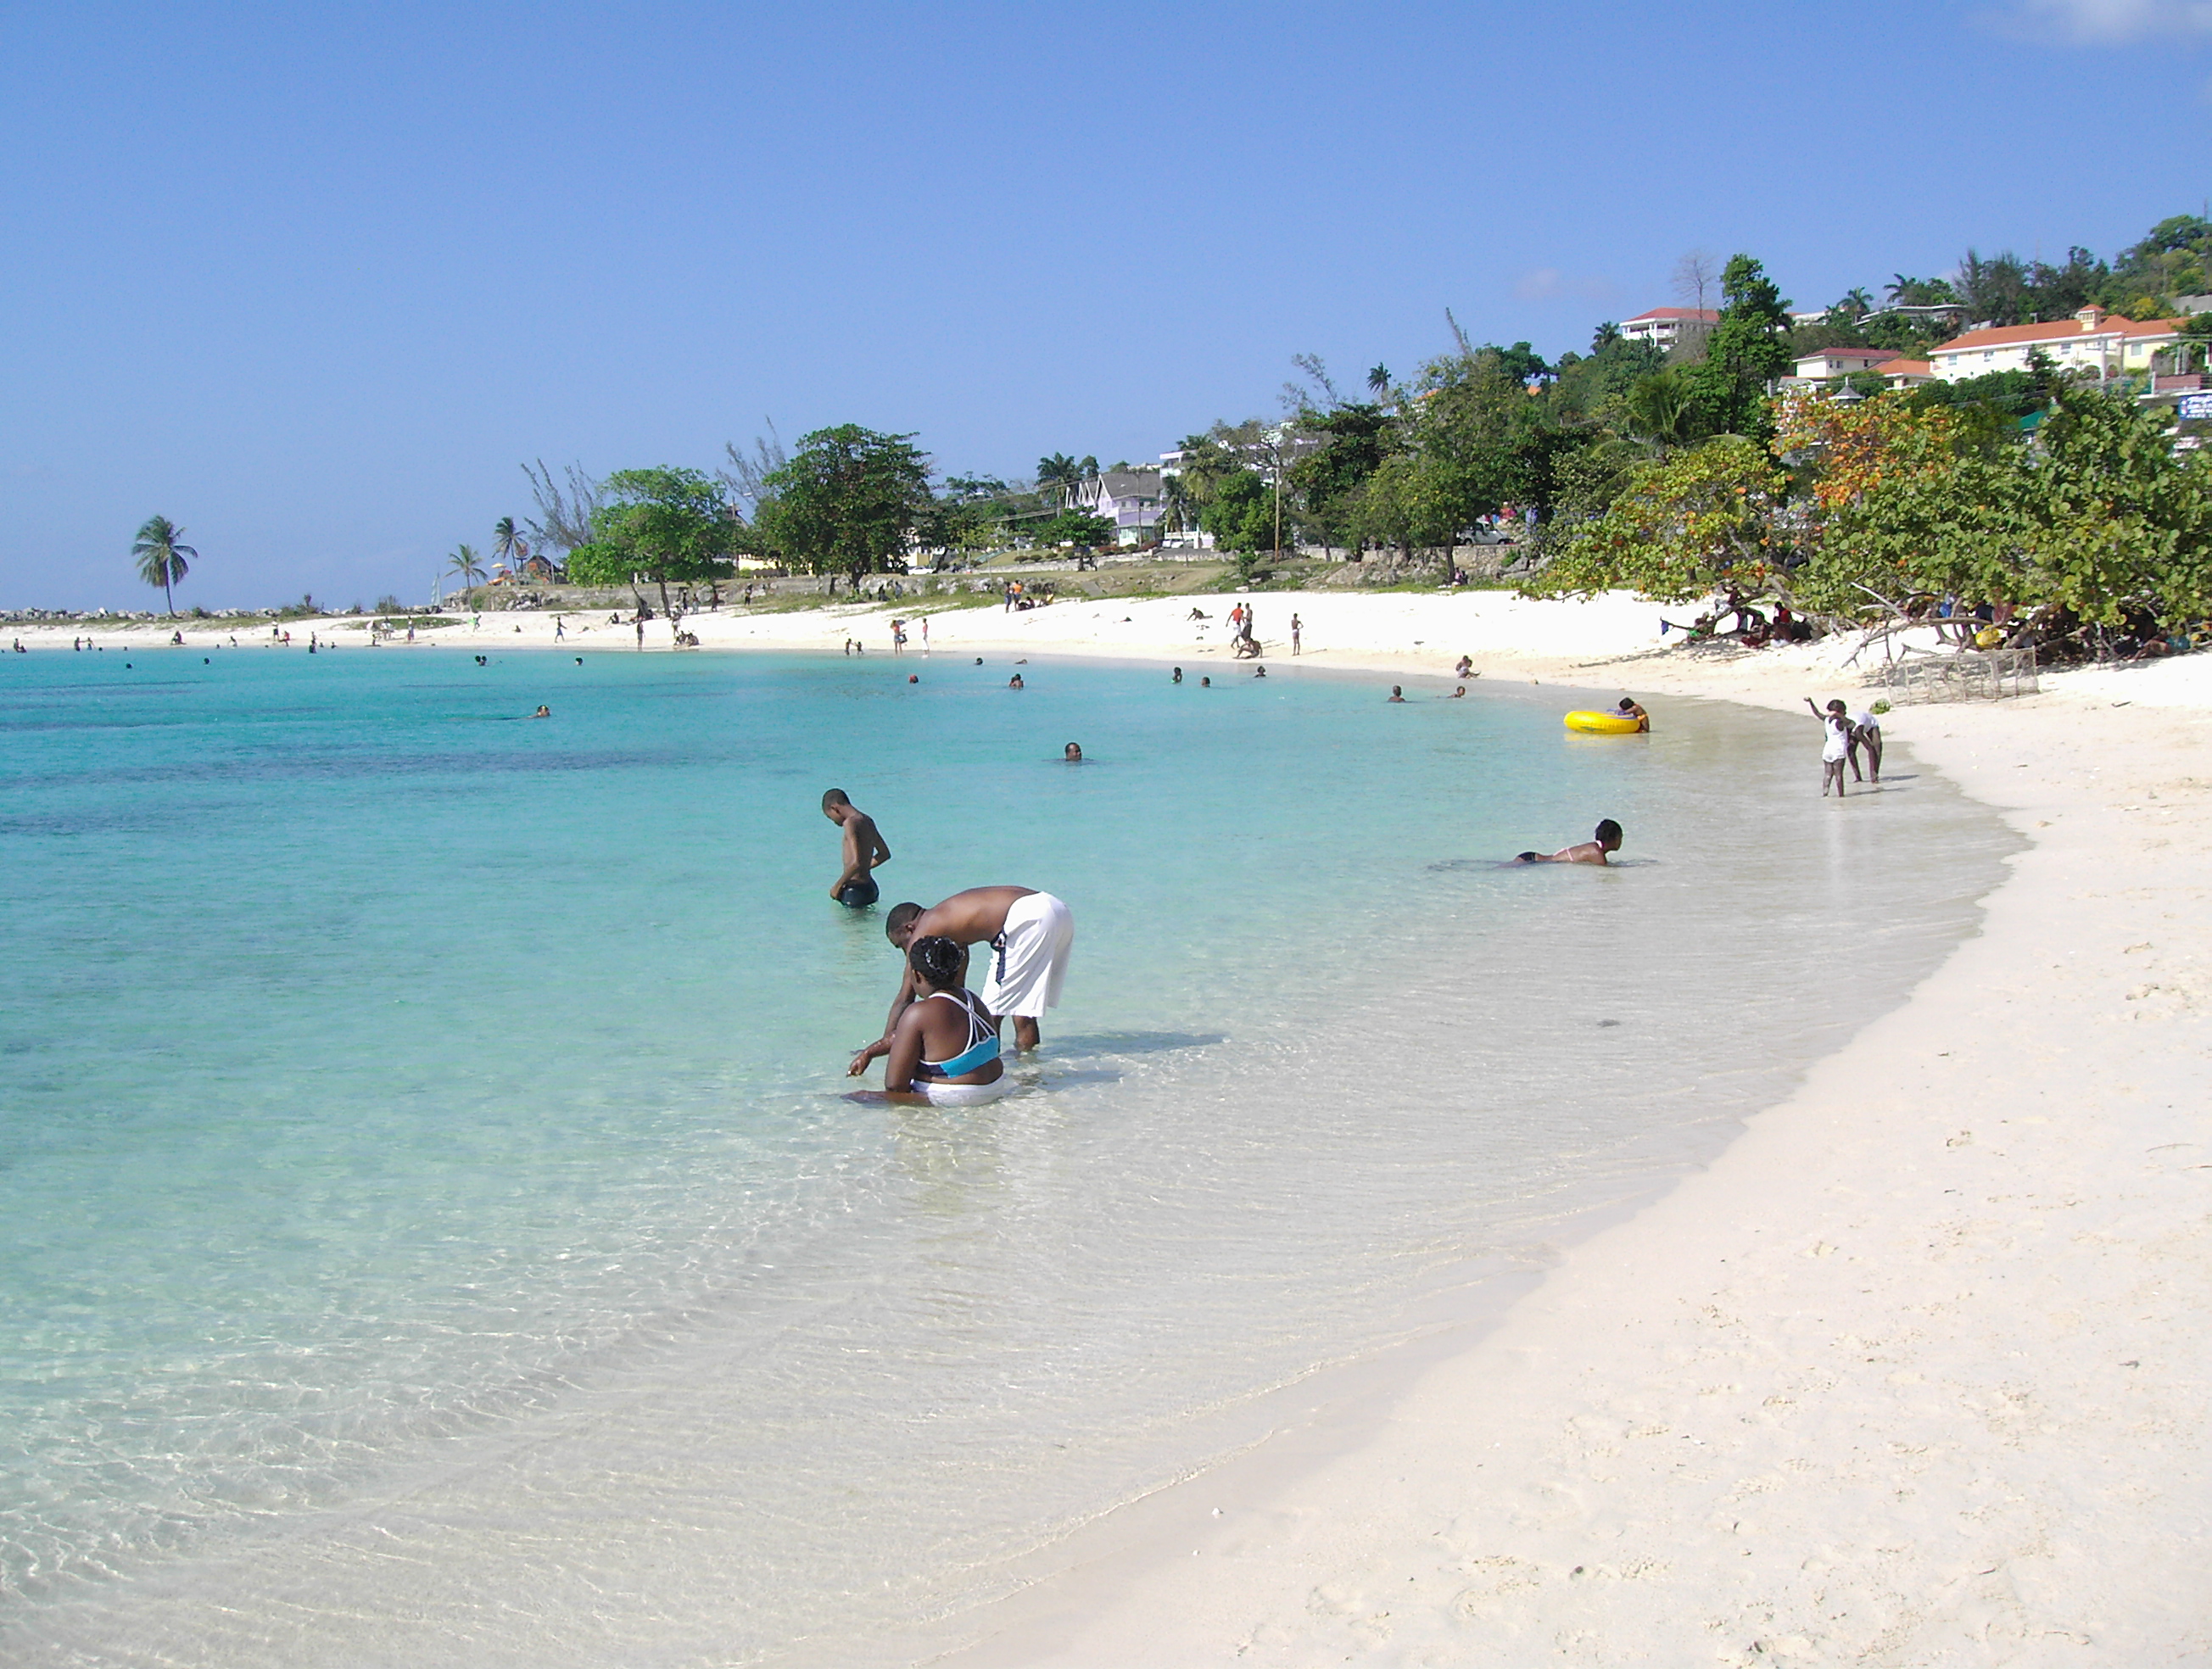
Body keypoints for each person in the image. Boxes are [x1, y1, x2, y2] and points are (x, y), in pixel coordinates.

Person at [865, 885, 1075, 1055]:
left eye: (901, 945)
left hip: (1026, 918)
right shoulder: (949, 925)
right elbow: (956, 993)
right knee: (1022, 1009)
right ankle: (1030, 1070)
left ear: (909, 929)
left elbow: (905, 997)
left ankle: (989, 1073)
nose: (907, 952)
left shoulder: (924, 930)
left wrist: (887, 1044)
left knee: (990, 1015)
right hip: (1054, 908)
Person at [846, 934, 1008, 1105]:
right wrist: (870, 1052)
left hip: (960, 1096)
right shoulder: (972, 1000)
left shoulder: (918, 1013)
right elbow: (903, 1036)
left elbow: (895, 1086)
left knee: (854, 1098)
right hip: (996, 1087)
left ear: (916, 975)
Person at [823, 788, 892, 907]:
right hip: (870, 887)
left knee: (849, 925)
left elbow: (856, 863)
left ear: (835, 808)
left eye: (830, 817)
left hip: (855, 891)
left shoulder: (850, 823)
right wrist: (865, 868)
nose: (834, 822)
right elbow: (884, 854)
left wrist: (837, 886)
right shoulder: (867, 820)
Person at [1517, 819, 1624, 865]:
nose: (1621, 840)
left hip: (1533, 859)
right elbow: (1607, 872)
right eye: (1620, 836)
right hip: (1532, 861)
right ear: (1613, 837)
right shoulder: (1595, 852)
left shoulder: (1594, 848)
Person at [1805, 698, 1852, 796]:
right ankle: (1841, 796)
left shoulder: (1826, 719)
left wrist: (1811, 702)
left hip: (1828, 749)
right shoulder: (1839, 722)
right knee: (1838, 775)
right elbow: (1852, 724)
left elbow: (1817, 713)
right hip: (1838, 749)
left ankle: (1825, 794)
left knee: (1828, 774)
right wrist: (1838, 715)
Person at [1851, 704, 1883, 784]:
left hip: (1871, 724)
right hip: (1857, 724)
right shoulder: (1843, 728)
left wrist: (1873, 773)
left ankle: (1874, 775)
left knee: (1877, 748)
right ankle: (1858, 777)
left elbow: (1870, 749)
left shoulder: (1858, 731)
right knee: (1850, 751)